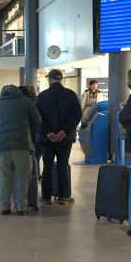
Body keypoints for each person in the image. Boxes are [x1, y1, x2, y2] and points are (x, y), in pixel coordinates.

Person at [0, 85, 41, 215]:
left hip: (3, 147)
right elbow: (37, 120)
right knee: (22, 177)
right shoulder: (26, 102)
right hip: (22, 145)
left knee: (5, 177)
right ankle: (21, 207)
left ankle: (4, 207)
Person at [36, 69, 82, 205]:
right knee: (62, 166)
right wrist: (64, 132)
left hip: (46, 140)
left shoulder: (42, 96)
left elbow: (37, 117)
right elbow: (77, 115)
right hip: (65, 139)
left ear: (49, 80)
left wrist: (48, 133)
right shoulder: (71, 95)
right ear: (61, 79)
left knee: (47, 166)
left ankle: (46, 196)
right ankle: (63, 196)